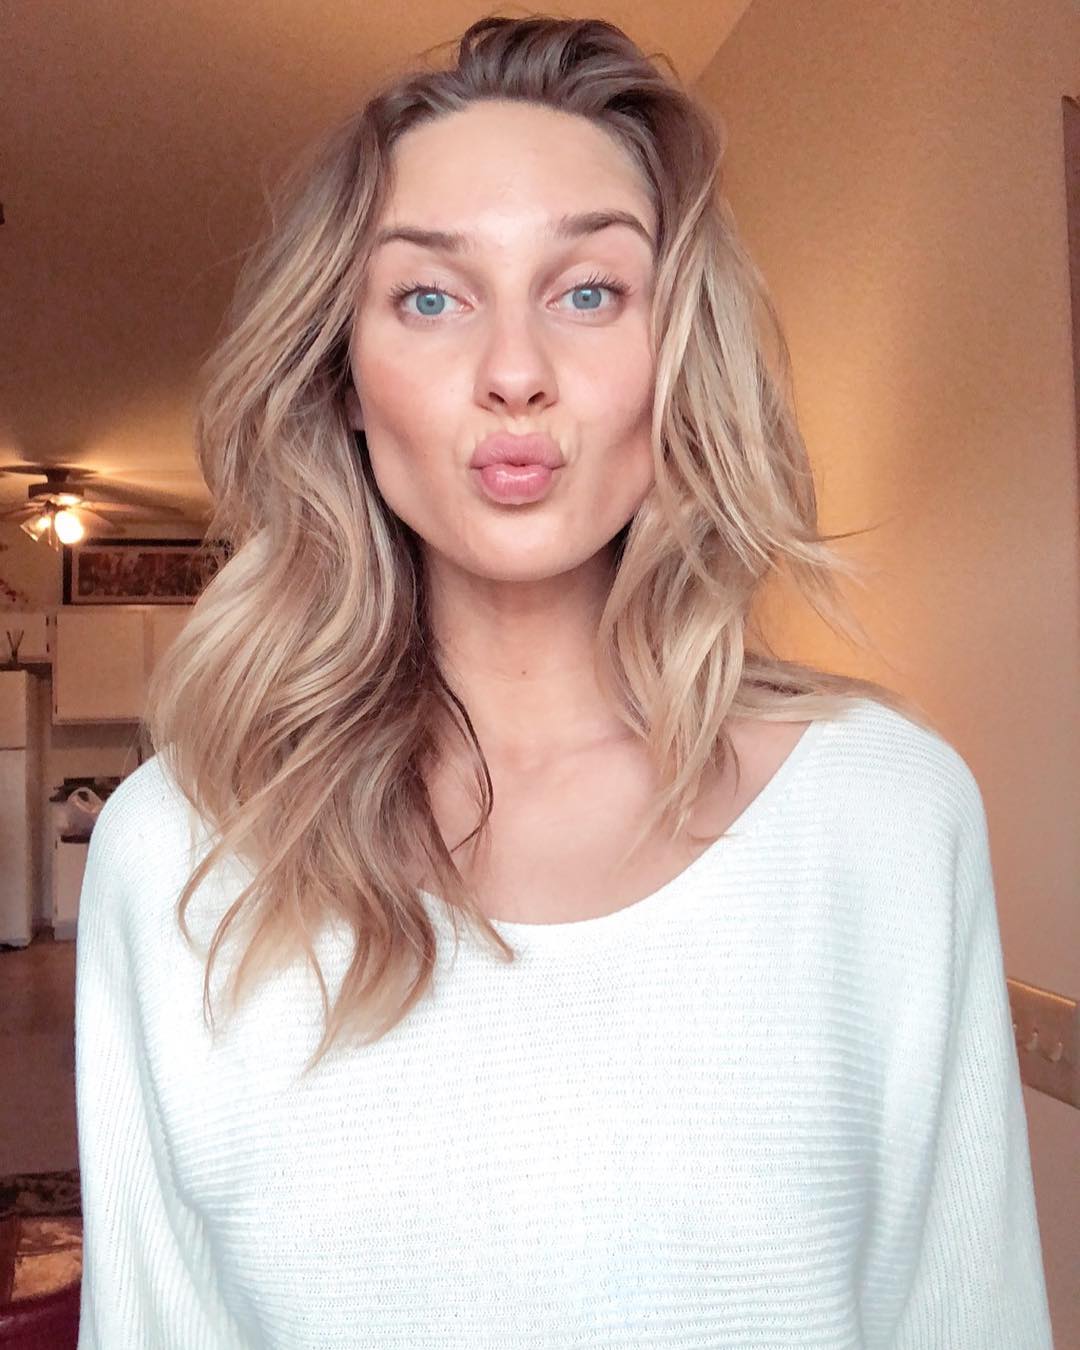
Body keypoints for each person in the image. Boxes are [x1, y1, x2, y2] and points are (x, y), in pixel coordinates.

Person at [73, 15, 1053, 1348]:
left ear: (675, 349)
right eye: (431, 297)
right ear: (344, 377)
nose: (516, 374)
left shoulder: (889, 815)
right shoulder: (179, 853)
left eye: (588, 291)